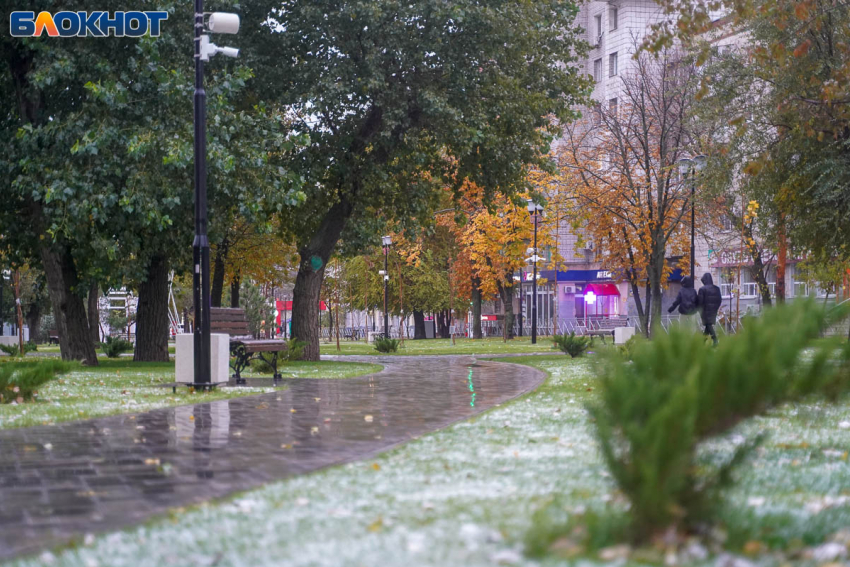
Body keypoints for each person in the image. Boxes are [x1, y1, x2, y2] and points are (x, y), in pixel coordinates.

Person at [697, 272, 722, 345]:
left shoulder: (702, 289)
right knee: (708, 325)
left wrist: (699, 309)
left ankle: (715, 340)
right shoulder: (717, 288)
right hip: (714, 309)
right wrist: (716, 307)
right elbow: (719, 300)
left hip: (705, 310)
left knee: (708, 324)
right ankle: (702, 341)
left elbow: (700, 301)